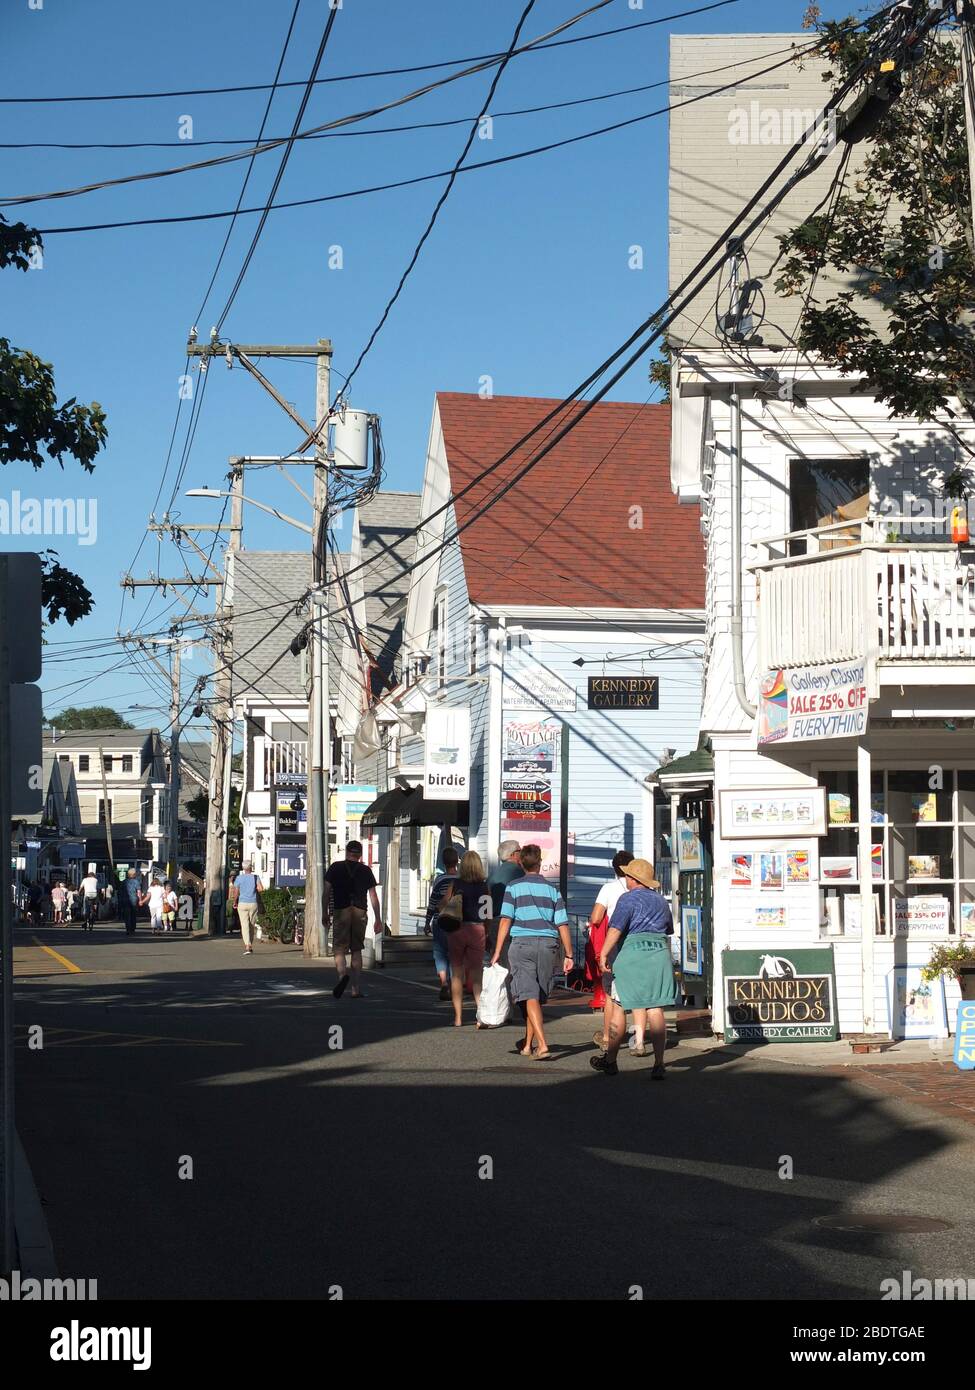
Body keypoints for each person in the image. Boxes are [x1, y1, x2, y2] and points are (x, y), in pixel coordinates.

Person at [591, 858, 678, 1079]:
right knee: (656, 1008)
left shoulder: (627, 899)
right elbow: (668, 927)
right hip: (658, 954)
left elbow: (616, 929)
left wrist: (603, 953)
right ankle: (659, 1063)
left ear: (632, 879)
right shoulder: (660, 900)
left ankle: (610, 1060)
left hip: (632, 953)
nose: (626, 879)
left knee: (619, 1006)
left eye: (628, 876)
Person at [490, 843, 573, 1059]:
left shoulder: (513, 888)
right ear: (540, 863)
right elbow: (563, 923)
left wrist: (497, 950)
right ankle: (527, 1045)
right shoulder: (553, 890)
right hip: (548, 945)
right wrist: (569, 954)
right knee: (533, 995)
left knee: (528, 994)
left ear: (521, 863)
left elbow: (505, 920)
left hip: (522, 944)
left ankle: (543, 1044)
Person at [587, 850, 634, 1050]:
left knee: (610, 993)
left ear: (615, 869)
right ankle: (638, 1037)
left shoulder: (609, 888)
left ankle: (607, 1036)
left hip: (615, 942)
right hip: (638, 941)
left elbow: (596, 917)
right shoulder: (644, 888)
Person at [324, 841, 382, 999]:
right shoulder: (365, 870)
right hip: (359, 910)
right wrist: (378, 918)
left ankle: (342, 977)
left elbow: (326, 892)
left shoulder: (335, 868)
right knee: (356, 949)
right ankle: (356, 989)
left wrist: (325, 913)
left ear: (347, 852)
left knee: (339, 948)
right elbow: (373, 896)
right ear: (360, 854)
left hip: (341, 910)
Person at [442, 850, 491, 1027]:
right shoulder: (484, 887)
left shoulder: (455, 884)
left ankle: (458, 1017)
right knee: (476, 975)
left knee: (456, 973)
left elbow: (444, 905)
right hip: (477, 929)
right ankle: (480, 1014)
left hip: (457, 929)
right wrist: (487, 931)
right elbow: (488, 914)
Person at [425, 847, 460, 1001]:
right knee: (454, 953)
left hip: (440, 920)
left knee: (439, 952)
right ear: (457, 861)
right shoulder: (461, 879)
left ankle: (444, 982)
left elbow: (433, 902)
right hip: (457, 921)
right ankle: (453, 983)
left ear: (443, 862)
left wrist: (427, 921)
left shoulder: (440, 880)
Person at [231, 861, 263, 956]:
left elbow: (236, 891)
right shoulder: (255, 877)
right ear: (251, 867)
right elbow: (261, 888)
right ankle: (250, 944)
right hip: (253, 903)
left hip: (242, 903)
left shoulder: (239, 878)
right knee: (251, 925)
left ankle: (247, 945)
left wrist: (235, 901)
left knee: (244, 925)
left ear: (243, 868)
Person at [489, 840, 524, 919]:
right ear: (512, 854)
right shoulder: (518, 872)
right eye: (520, 851)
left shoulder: (493, 873)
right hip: (510, 920)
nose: (522, 853)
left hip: (492, 919)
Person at [119, 869, 140, 936]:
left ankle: (128, 929)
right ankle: (133, 929)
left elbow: (120, 892)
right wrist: (140, 900)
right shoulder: (136, 882)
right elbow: (139, 892)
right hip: (134, 900)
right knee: (133, 915)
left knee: (127, 915)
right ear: (134, 874)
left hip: (125, 900)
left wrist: (120, 900)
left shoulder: (124, 882)